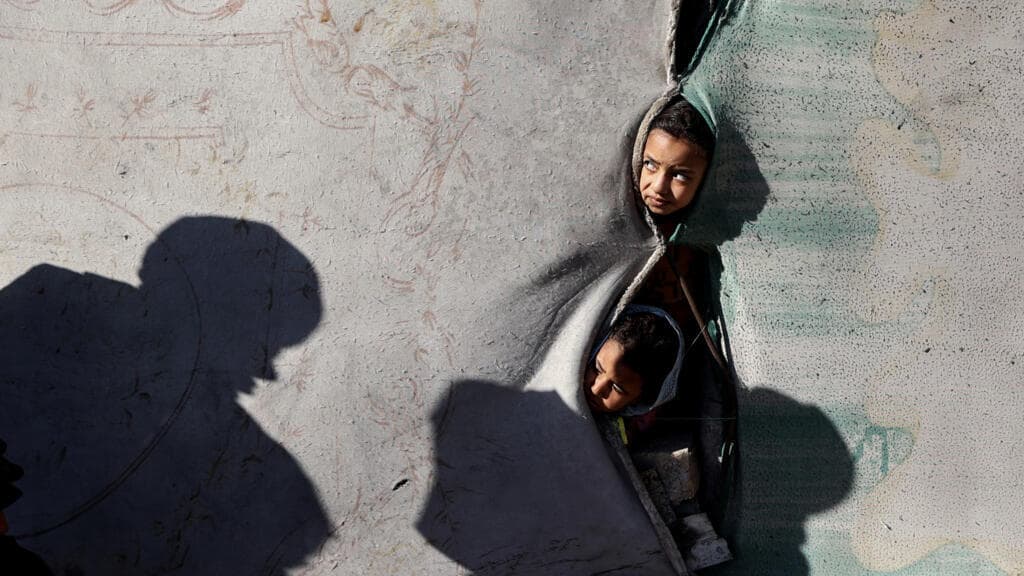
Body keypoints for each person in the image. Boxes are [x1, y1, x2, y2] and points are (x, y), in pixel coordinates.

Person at [584, 306, 684, 440]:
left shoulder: (625, 435)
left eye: (617, 388)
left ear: (639, 400)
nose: (596, 389)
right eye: (597, 369)